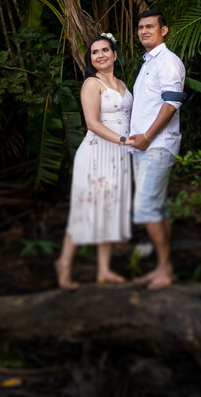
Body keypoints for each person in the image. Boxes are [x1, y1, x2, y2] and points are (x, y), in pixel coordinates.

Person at [55, 33, 133, 290]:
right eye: (94, 52)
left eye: (104, 50)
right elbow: (92, 123)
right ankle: (64, 265)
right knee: (85, 209)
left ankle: (104, 270)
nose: (100, 55)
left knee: (110, 208)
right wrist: (123, 140)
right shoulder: (92, 83)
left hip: (119, 156)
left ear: (114, 54)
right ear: (91, 59)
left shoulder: (121, 83)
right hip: (98, 154)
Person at [126, 9, 185, 290]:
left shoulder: (168, 62)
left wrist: (148, 136)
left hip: (157, 145)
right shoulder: (148, 63)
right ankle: (164, 267)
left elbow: (171, 103)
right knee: (158, 207)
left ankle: (165, 268)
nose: (144, 31)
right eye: (140, 27)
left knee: (146, 207)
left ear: (164, 30)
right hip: (143, 147)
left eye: (150, 26)